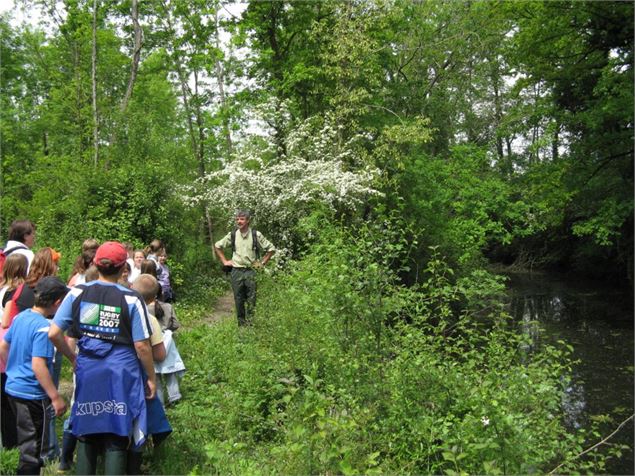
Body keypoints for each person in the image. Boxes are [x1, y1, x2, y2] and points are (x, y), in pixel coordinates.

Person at [48, 241, 156, 475]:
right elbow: (142, 346)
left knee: (86, 428)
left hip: (88, 368)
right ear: (122, 268)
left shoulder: (78, 292)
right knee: (117, 430)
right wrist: (151, 377)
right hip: (121, 372)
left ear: (97, 264)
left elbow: (54, 333)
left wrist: (72, 358)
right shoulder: (131, 298)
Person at [0, 276, 70, 475]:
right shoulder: (43, 327)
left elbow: (3, 347)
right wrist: (55, 397)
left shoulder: (20, 317)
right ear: (57, 303)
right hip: (32, 395)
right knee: (33, 450)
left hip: (13, 388)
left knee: (25, 441)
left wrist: (15, 369)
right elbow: (39, 365)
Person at [214, 210, 276, 326]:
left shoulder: (255, 234)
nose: (239, 221)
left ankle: (251, 324)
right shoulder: (232, 235)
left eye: (242, 219)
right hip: (236, 271)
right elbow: (217, 246)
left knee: (251, 299)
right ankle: (241, 325)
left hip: (251, 271)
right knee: (238, 299)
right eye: (237, 219)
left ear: (248, 221)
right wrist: (225, 261)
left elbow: (271, 249)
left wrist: (262, 263)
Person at [135, 274, 184, 406]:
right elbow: (175, 324)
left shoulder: (140, 312)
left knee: (155, 375)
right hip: (167, 341)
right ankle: (175, 397)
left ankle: (159, 402)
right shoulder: (167, 306)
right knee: (170, 371)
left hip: (150, 346)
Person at [0, 253, 30, 449]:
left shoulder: (3, 289)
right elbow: (6, 321)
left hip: (4, 342)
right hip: (9, 343)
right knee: (12, 399)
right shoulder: (17, 292)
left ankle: (10, 443)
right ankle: (15, 443)